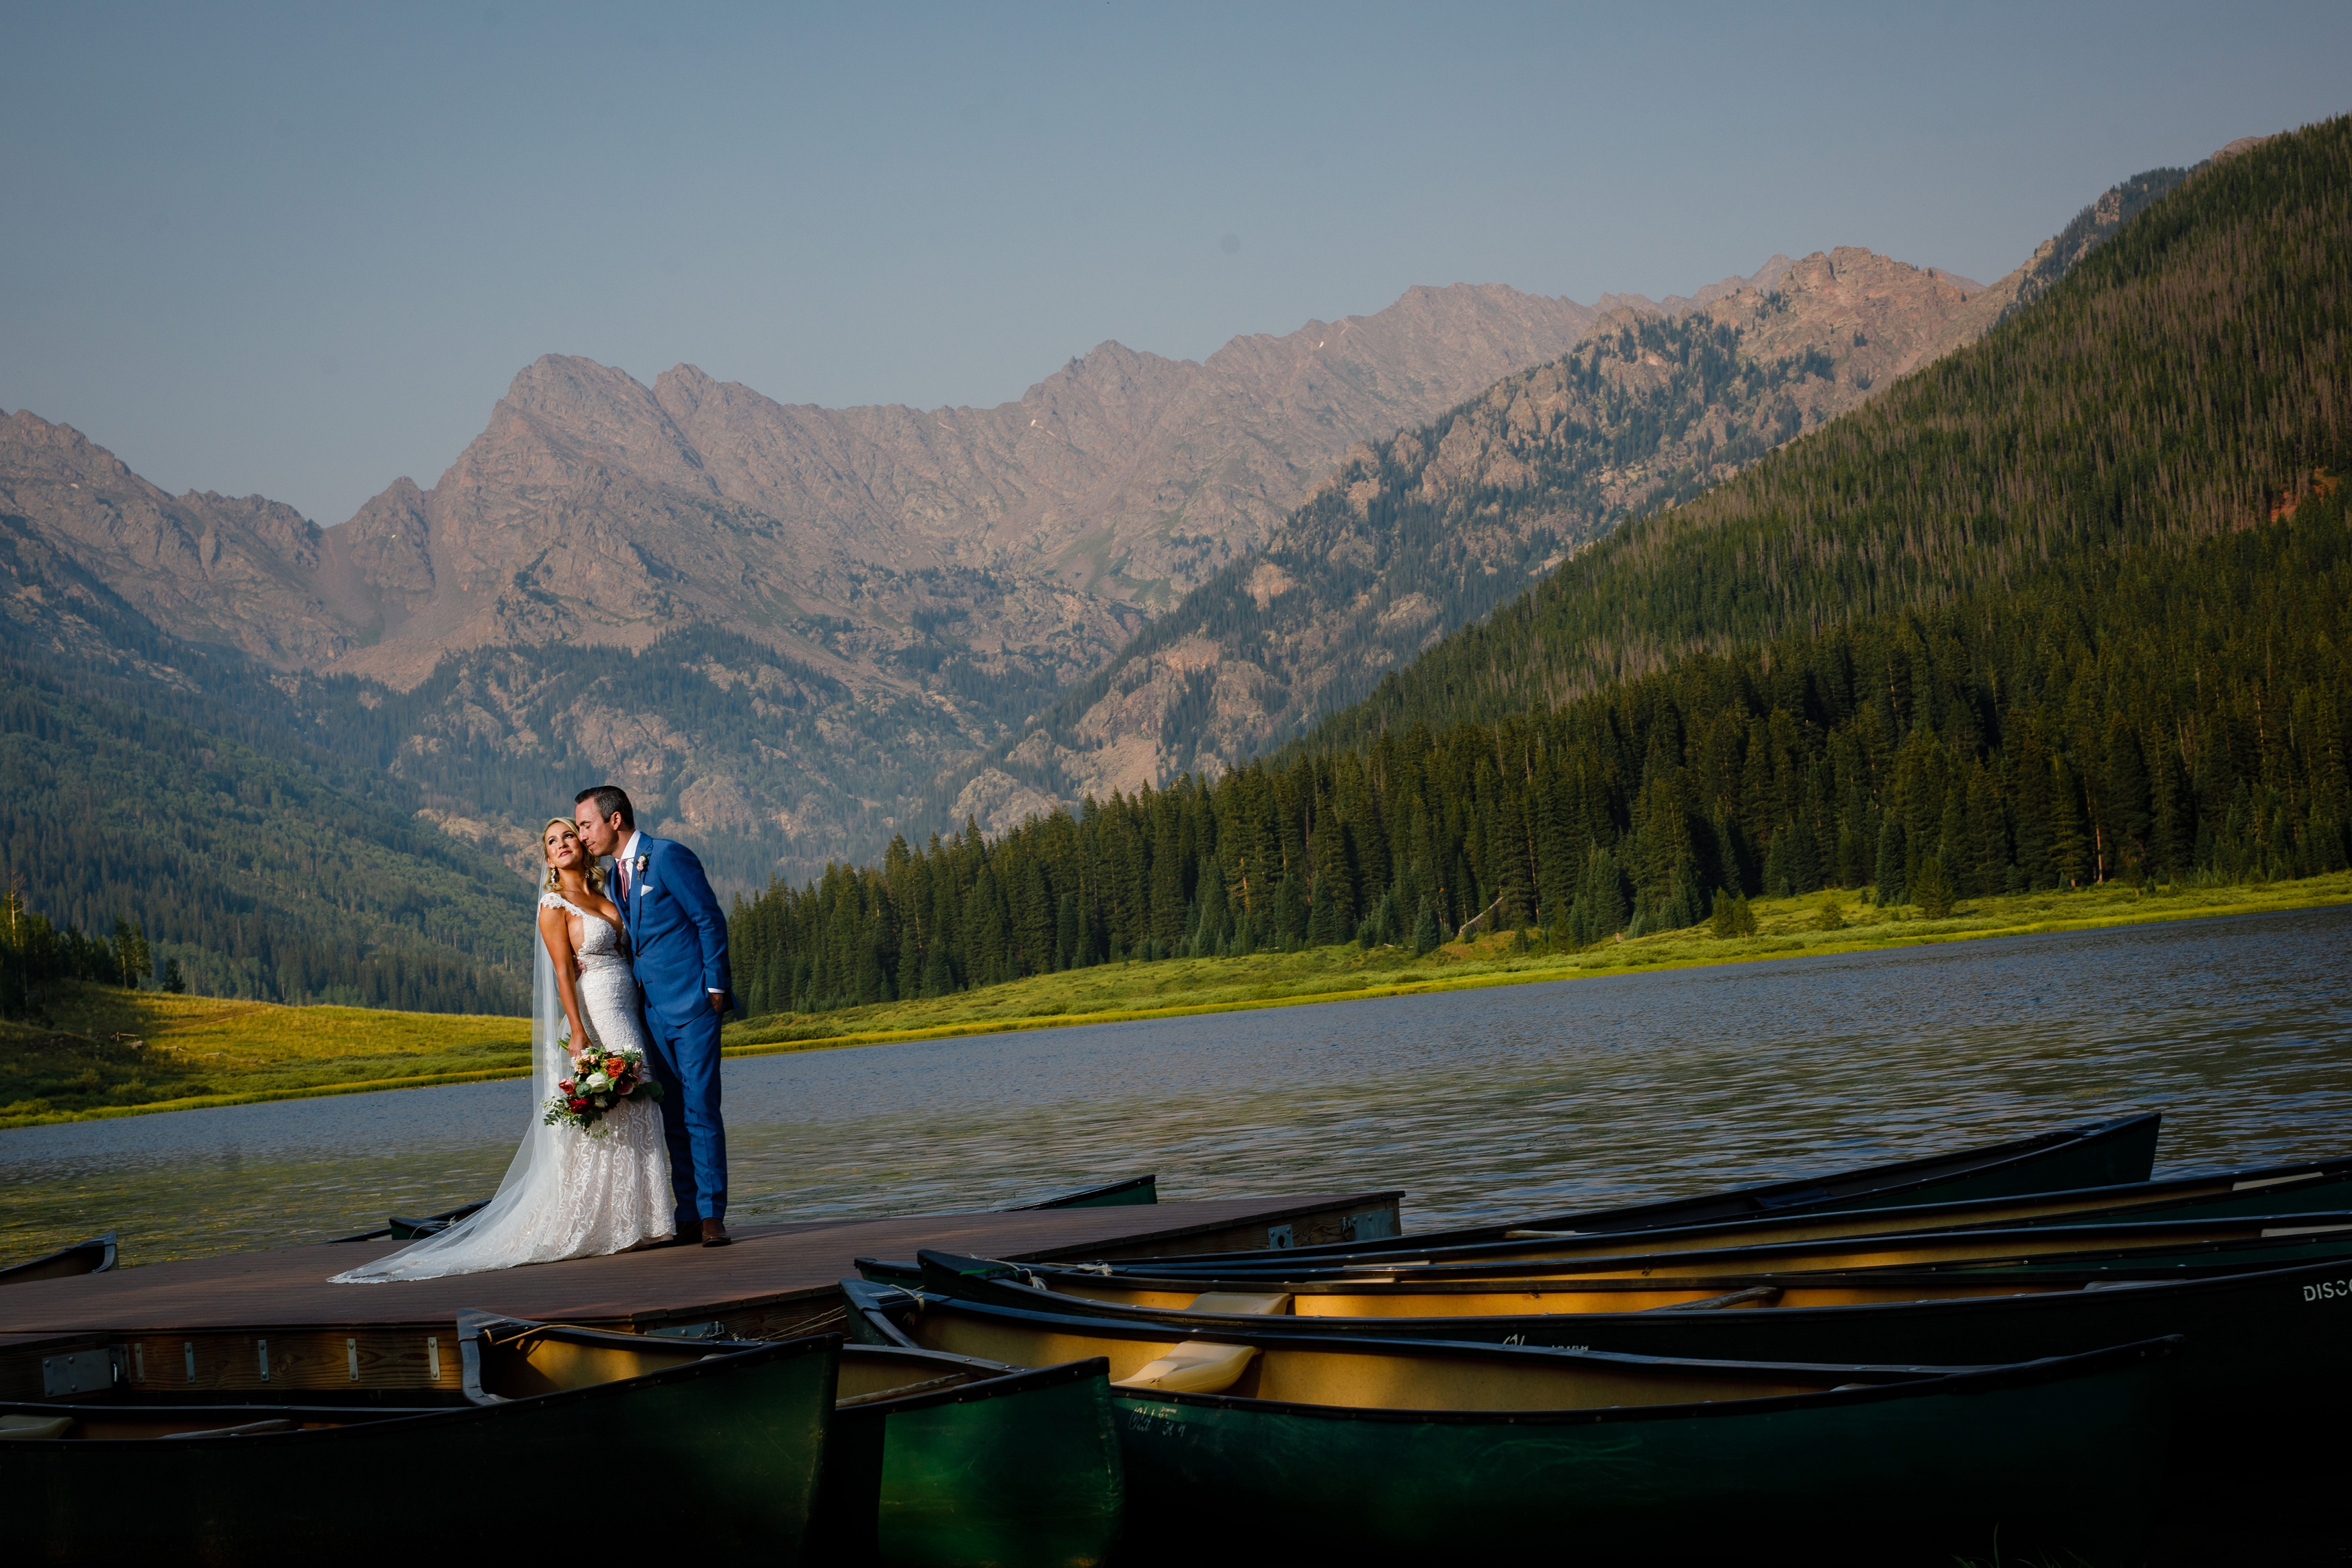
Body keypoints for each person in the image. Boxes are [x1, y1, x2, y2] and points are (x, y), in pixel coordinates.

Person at [330, 818, 674, 1282]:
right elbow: (561, 972)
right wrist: (578, 1031)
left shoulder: (609, 893)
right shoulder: (553, 905)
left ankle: (647, 1219)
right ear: (548, 859)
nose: (562, 844)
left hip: (628, 1004)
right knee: (618, 1102)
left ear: (582, 843)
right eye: (552, 842)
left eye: (569, 835)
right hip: (596, 1007)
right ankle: (602, 1221)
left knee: (639, 1100)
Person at [573, 784, 736, 1247]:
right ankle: (686, 1213)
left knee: (702, 1108)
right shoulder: (615, 876)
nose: (582, 835)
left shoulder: (667, 857)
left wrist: (716, 988)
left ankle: (711, 1217)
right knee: (674, 1113)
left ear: (615, 820)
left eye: (586, 825)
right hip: (650, 1014)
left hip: (694, 1006)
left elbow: (709, 918)